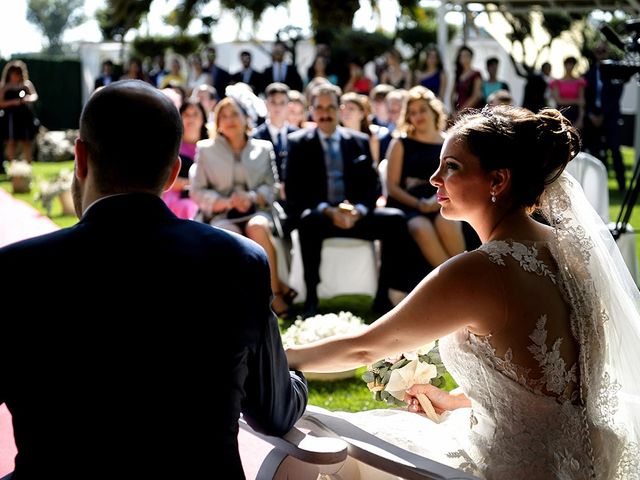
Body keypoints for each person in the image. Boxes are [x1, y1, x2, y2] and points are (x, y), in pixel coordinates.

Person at [287, 105, 640, 478]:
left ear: (498, 181)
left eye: (452, 166)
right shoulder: (573, 252)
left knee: (324, 442)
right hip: (588, 463)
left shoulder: (480, 270)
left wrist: (280, 356)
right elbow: (560, 385)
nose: (435, 178)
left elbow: (365, 347)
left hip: (509, 469)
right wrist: (457, 401)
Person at [0, 80, 308, 479]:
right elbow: (273, 412)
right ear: (172, 173)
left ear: (80, 158)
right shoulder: (238, 260)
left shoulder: (16, 270)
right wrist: (296, 379)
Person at [285, 83, 409, 316]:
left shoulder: (358, 140)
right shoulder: (298, 142)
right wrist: (327, 210)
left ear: (339, 109)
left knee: (396, 219)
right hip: (321, 216)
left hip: (355, 215)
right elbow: (294, 191)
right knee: (307, 220)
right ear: (311, 110)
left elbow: (373, 186)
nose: (325, 113)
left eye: (330, 107)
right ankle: (312, 297)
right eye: (319, 108)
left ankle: (382, 298)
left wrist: (359, 210)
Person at [190, 96, 297, 318]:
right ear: (217, 122)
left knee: (257, 227)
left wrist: (251, 197)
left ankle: (275, 293)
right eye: (224, 116)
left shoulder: (263, 147)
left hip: (258, 210)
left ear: (245, 118)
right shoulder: (206, 149)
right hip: (223, 213)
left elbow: (273, 186)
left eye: (234, 114)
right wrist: (227, 201)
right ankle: (240, 301)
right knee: (228, 236)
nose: (229, 120)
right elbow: (197, 191)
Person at [385, 86, 465, 270]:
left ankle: (464, 275)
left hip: (443, 199)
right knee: (420, 228)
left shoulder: (449, 142)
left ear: (433, 111)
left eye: (422, 110)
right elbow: (392, 186)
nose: (418, 116)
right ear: (408, 117)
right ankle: (453, 280)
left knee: (448, 223)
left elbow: (457, 177)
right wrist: (419, 204)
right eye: (412, 112)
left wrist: (436, 202)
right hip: (408, 203)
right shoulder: (400, 143)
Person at [0, 60, 39, 162]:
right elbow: (1, 102)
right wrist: (13, 102)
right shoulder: (6, 87)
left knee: (26, 141)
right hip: (10, 117)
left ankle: (28, 165)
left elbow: (34, 96)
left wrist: (26, 99)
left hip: (24, 116)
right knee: (11, 141)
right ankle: (12, 167)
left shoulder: (26, 85)